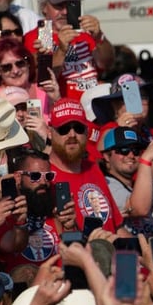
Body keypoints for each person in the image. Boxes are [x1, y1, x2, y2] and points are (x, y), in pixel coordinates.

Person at [47, 98, 122, 232]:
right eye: (64, 129)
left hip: (111, 250)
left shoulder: (92, 167)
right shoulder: (43, 177)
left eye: (79, 128)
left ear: (87, 132)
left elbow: (116, 227)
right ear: (49, 132)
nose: (72, 135)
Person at [30, 0, 113, 100]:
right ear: (44, 8)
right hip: (62, 108)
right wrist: (61, 50)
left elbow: (107, 63)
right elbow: (44, 81)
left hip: (93, 105)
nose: (65, 12)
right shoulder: (43, 34)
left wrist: (99, 36)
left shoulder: (84, 31)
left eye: (70, 5)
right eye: (59, 6)